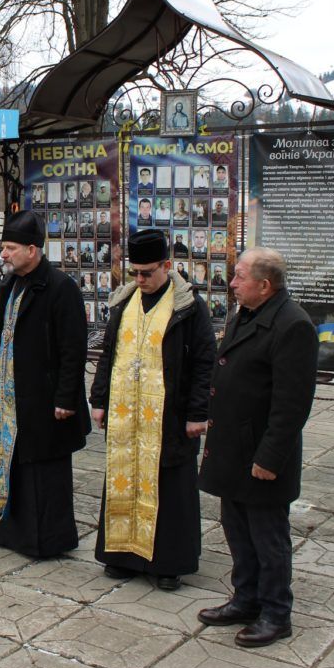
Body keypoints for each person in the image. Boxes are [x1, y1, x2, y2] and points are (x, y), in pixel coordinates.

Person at [198, 248, 318, 648]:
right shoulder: (245, 314)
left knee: (268, 538)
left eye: (240, 277)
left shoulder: (292, 325)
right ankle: (246, 599)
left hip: (261, 457)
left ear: (265, 285)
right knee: (237, 532)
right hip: (233, 450)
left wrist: (270, 458)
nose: (232, 283)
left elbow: (292, 404)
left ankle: (275, 613)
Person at [89, 230, 215, 589]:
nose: (140, 280)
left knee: (170, 489)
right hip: (127, 416)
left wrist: (197, 413)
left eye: (147, 273)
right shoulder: (125, 303)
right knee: (123, 481)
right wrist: (99, 401)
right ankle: (122, 556)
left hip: (169, 418)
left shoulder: (188, 306)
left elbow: (204, 362)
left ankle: (168, 563)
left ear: (167, 266)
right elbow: (108, 355)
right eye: (135, 273)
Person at [0, 211, 90, 558]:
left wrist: (66, 398)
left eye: (10, 248)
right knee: (11, 464)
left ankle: (45, 540)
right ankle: (8, 532)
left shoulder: (60, 288)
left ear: (32, 249)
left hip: (44, 400)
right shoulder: (10, 284)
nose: (4, 254)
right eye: (3, 248)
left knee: (43, 472)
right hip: (8, 397)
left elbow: (73, 348)